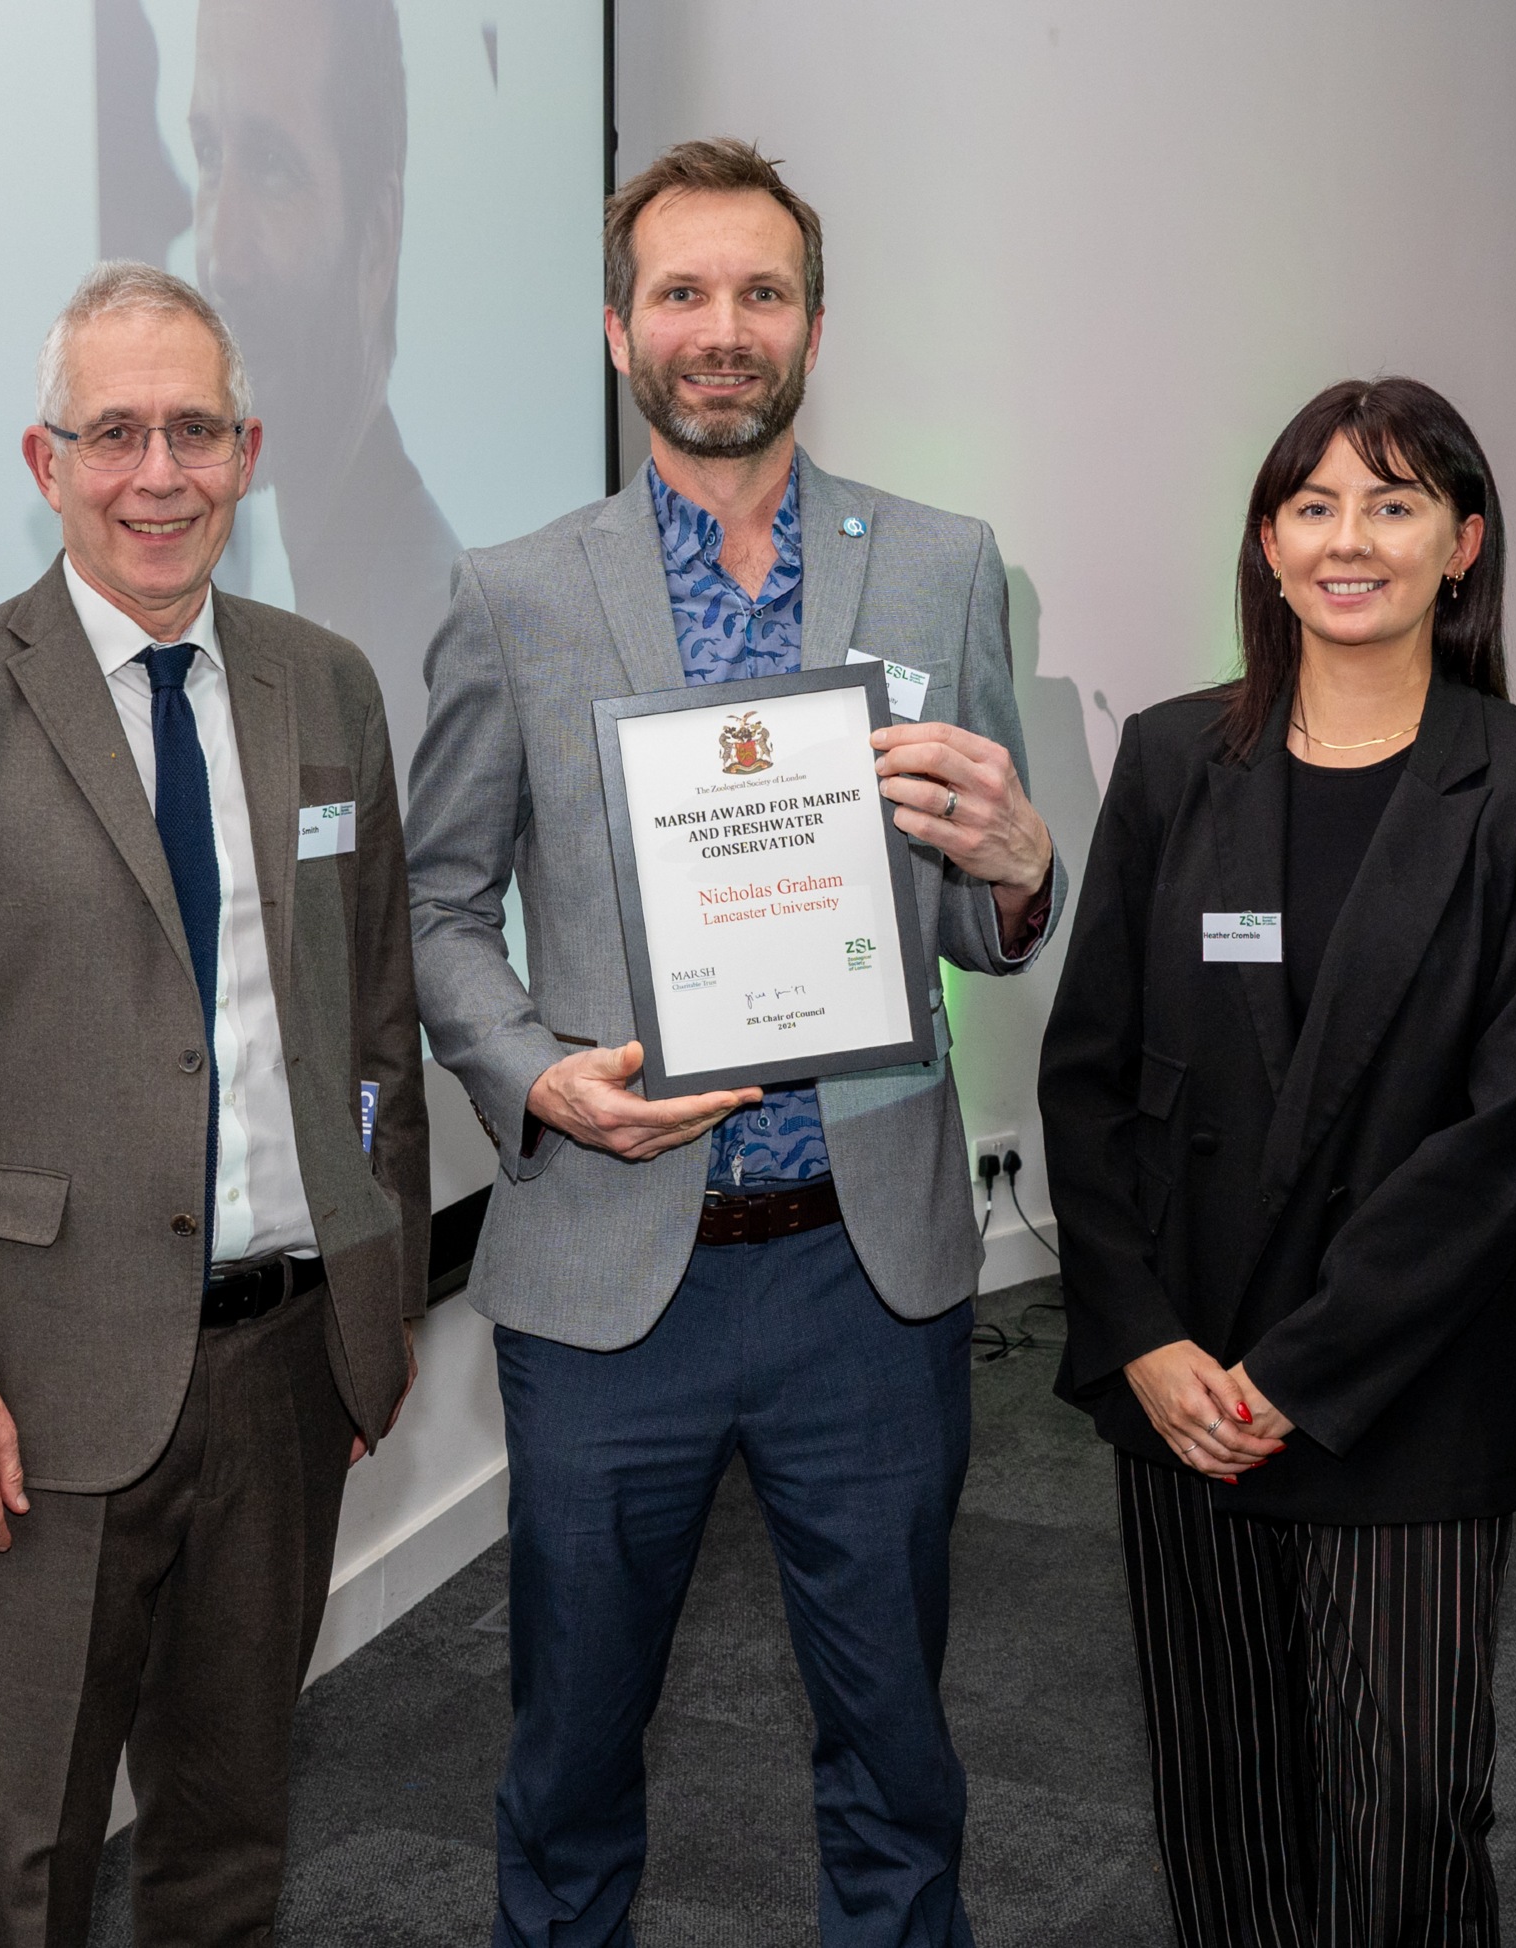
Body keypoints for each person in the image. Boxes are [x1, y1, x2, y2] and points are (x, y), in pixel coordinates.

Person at [406, 138, 1063, 1947]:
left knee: (896, 1752)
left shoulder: (939, 565)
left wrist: (1020, 870)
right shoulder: (514, 593)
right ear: (620, 332)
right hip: (610, 1274)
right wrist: (532, 1075)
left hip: (864, 1271)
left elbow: (972, 911)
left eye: (759, 293)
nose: (722, 328)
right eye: (681, 293)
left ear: (812, 327)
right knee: (567, 1756)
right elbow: (437, 909)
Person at [0, 261, 429, 1948]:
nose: (158, 473)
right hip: (37, 1393)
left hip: (284, 1369)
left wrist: (373, 1294)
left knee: (230, 1839)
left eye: (195, 431)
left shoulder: (325, 684)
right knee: (26, 1867)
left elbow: (374, 1020)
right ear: (46, 461)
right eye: (115, 434)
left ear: (248, 453)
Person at [1039, 377, 1516, 1947]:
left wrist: (1296, 1374)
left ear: (1461, 544)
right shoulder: (1170, 760)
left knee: (1405, 1812)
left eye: (1390, 504)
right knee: (1223, 1799)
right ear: (1266, 542)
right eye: (1311, 505)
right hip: (1184, 1369)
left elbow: (1504, 1140)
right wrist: (1141, 1337)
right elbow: (1087, 1070)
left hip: (1405, 1379)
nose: (1346, 540)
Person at [188, 0, 460, 764]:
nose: (219, 258)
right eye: (208, 153)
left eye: (273, 168)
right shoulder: (289, 578)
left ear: (377, 238)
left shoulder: (431, 634)